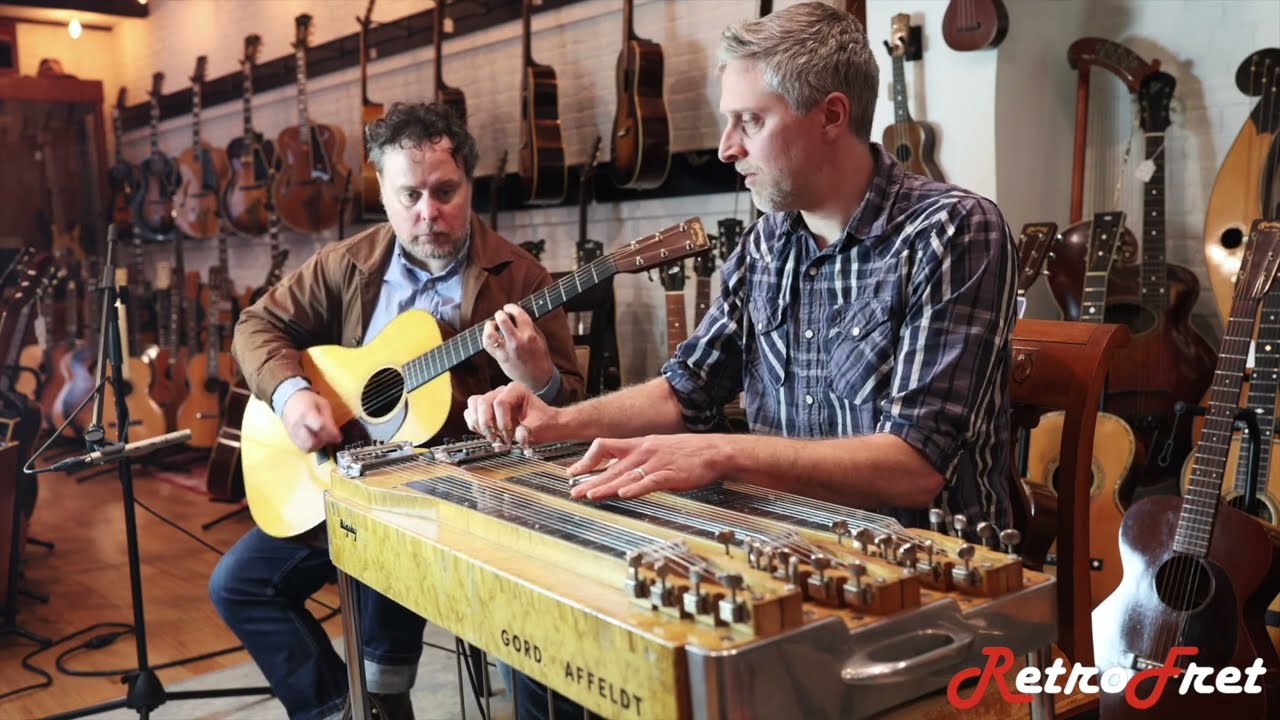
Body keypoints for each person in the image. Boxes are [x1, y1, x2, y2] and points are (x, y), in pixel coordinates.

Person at [465, 3, 1017, 716]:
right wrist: (553, 421)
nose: (727, 148)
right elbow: (686, 389)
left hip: (925, 587)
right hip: (784, 554)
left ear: (831, 115)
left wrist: (720, 454)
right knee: (553, 644)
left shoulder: (952, 230)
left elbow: (913, 467)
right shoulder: (768, 242)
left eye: (749, 121)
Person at [209, 101, 585, 720]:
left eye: (445, 192)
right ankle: (348, 709)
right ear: (382, 192)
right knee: (239, 584)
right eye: (409, 195)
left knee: (434, 566)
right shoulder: (349, 264)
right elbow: (256, 326)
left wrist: (537, 376)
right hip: (347, 484)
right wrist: (292, 393)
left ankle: (384, 690)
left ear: (468, 185)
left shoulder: (520, 279)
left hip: (471, 497)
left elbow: (569, 408)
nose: (427, 212)